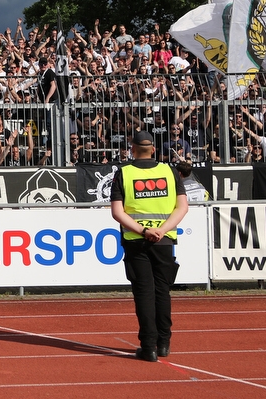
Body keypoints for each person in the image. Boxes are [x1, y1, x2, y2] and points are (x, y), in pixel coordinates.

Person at [110, 131, 188, 362]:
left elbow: (117, 212)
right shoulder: (169, 171)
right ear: (153, 149)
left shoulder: (124, 173)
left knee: (144, 293)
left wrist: (144, 231)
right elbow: (182, 207)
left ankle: (149, 346)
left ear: (131, 148)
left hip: (137, 241)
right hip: (164, 241)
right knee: (162, 292)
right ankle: (164, 343)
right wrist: (162, 230)